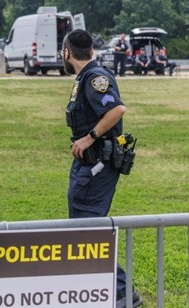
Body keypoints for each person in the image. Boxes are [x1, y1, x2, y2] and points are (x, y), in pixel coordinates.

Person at [61, 29, 142, 308]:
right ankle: (97, 290)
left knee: (87, 230)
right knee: (82, 228)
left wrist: (89, 137)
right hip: (88, 164)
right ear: (91, 51)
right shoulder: (85, 77)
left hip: (97, 164)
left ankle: (121, 293)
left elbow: (116, 110)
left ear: (67, 52)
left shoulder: (96, 78)